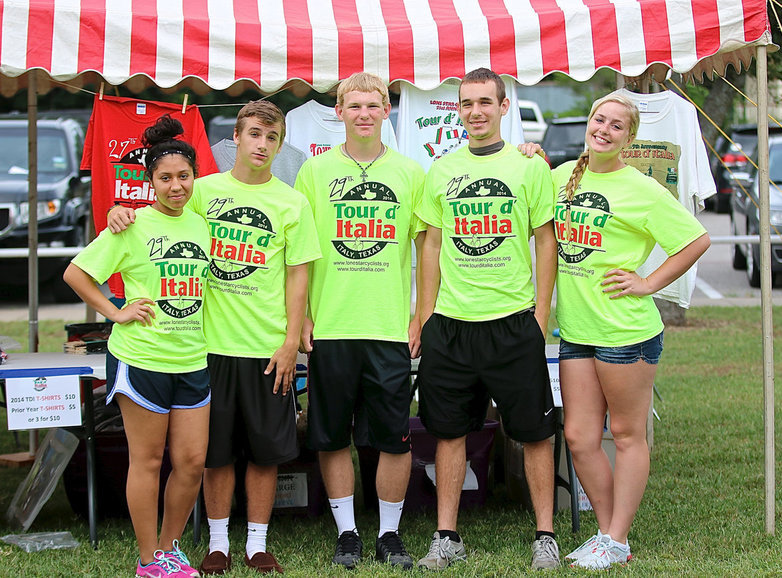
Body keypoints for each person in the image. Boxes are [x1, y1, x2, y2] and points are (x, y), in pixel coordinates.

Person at [108, 101, 321, 575]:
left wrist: (290, 341)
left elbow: (298, 277)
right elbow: (159, 217)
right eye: (253, 135)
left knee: (266, 451)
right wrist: (118, 211)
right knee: (215, 453)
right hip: (207, 347)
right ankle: (220, 543)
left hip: (268, 347)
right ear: (236, 140)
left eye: (271, 137)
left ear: (279, 143)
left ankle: (258, 545)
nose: (261, 145)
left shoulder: (292, 202)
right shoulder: (202, 191)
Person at [551, 94, 710, 569]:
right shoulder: (562, 176)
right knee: (579, 436)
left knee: (624, 434)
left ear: (629, 137)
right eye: (599, 119)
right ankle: (606, 534)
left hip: (627, 332)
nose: (604, 129)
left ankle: (618, 537)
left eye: (616, 126)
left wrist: (648, 283)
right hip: (575, 330)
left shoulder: (642, 188)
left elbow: (695, 239)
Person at [415, 67, 560, 571]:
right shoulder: (441, 169)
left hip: (513, 321)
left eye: (485, 102)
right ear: (458, 111)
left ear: (503, 108)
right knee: (449, 432)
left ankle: (545, 535)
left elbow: (546, 242)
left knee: (535, 433)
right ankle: (447, 535)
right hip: (452, 326)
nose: (475, 111)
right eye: (466, 103)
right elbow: (430, 243)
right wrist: (426, 315)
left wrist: (541, 315)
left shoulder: (529, 168)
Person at [65, 116, 211, 578]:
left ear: (194, 177)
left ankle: (170, 548)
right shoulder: (130, 225)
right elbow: (76, 273)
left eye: (183, 176)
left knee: (191, 461)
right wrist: (115, 312)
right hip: (142, 358)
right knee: (147, 461)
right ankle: (148, 559)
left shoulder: (203, 223)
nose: (175, 186)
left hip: (193, 359)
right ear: (150, 181)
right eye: (165, 178)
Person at [293, 72, 425, 570]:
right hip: (331, 327)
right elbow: (299, 253)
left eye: (374, 105)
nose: (364, 114)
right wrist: (303, 315)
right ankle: (347, 531)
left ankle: (389, 534)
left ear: (386, 111)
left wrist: (421, 314)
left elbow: (426, 248)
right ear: (339, 112)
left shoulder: (411, 173)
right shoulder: (314, 172)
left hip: (389, 328)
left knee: (393, 436)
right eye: (355, 106)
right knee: (330, 435)